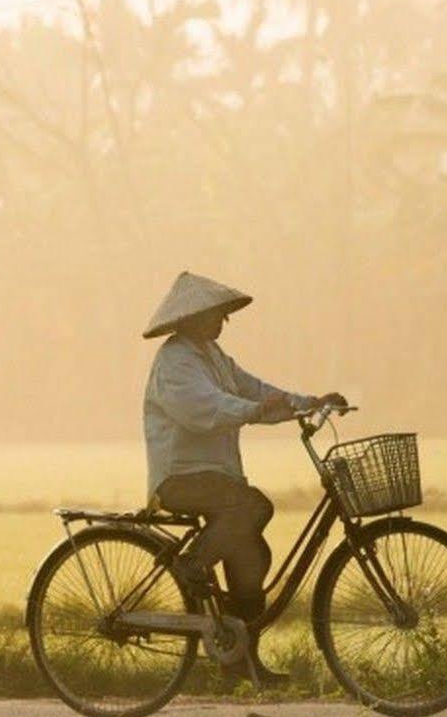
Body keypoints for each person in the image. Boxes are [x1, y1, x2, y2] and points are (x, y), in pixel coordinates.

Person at [140, 271, 345, 683]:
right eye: (217, 314)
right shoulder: (174, 362)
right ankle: (191, 563)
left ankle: (241, 664)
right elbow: (205, 409)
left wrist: (306, 403)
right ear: (194, 317)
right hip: (181, 478)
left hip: (216, 480)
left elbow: (253, 389)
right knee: (254, 506)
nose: (223, 322)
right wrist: (254, 411)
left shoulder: (213, 357)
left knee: (252, 556)